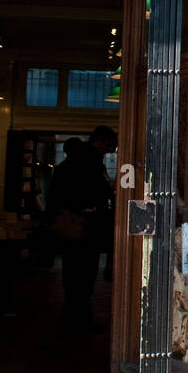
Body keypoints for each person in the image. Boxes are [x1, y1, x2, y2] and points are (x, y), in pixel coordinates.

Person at [46, 126, 116, 331]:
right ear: (101, 142)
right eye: (110, 145)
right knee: (85, 274)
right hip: (88, 227)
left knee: (71, 272)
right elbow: (100, 191)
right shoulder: (93, 163)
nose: (110, 150)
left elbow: (55, 196)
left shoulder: (67, 164)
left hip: (69, 226)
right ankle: (80, 318)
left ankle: (71, 315)